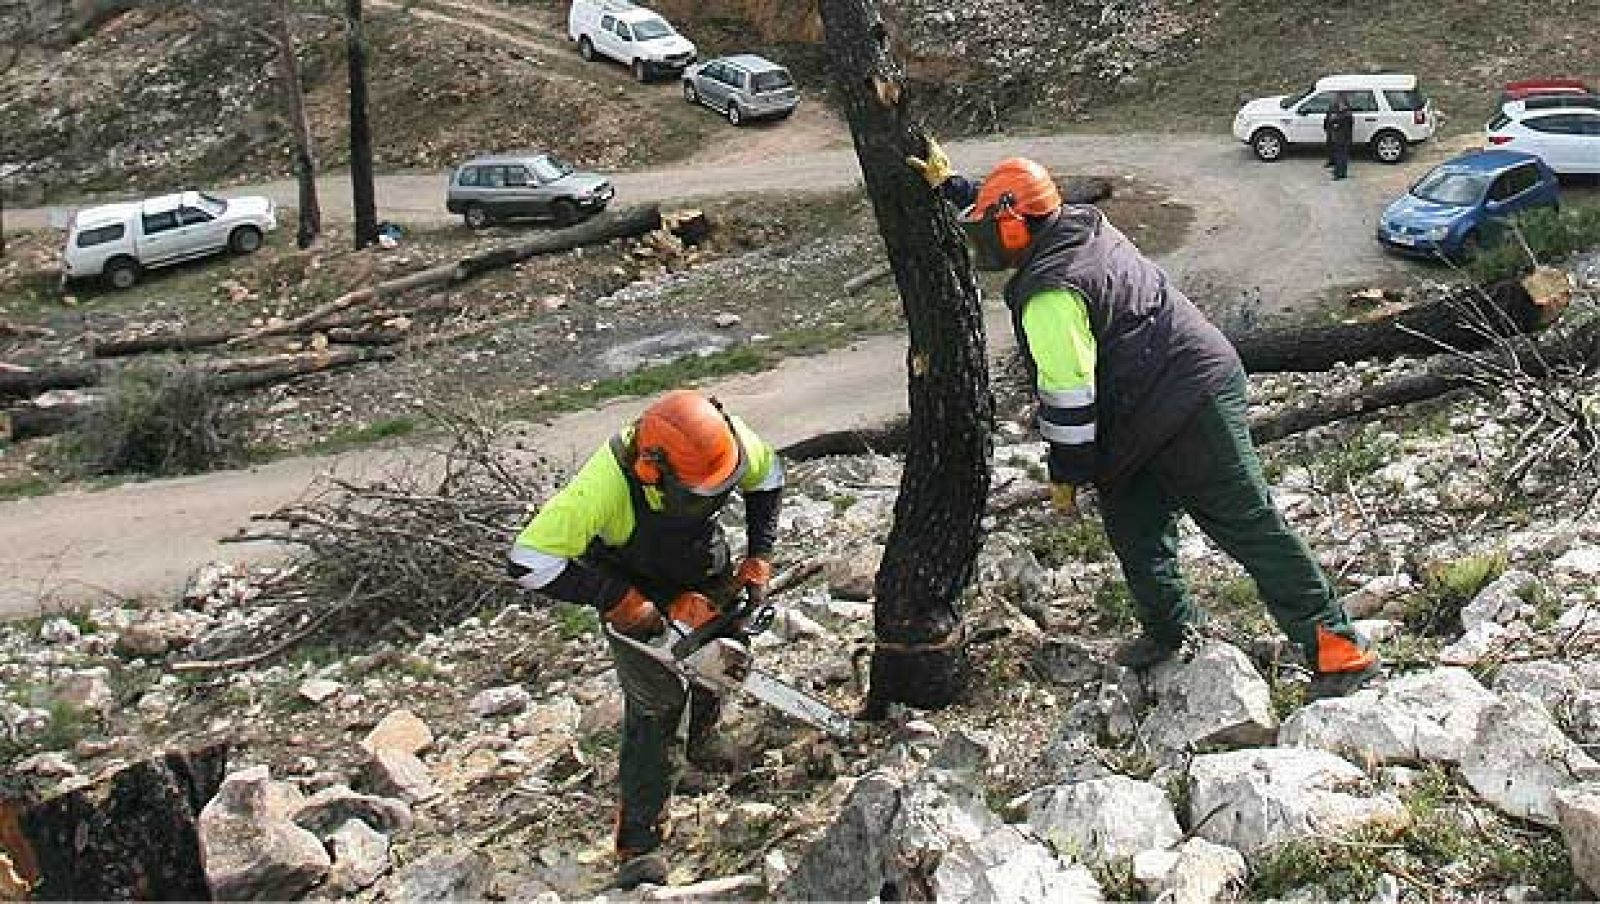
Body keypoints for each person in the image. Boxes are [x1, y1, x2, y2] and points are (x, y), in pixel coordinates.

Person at [905, 140, 1380, 699]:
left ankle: (1338, 648)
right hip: (1139, 413)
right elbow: (1019, 205)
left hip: (1191, 399)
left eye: (992, 224)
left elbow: (1069, 396)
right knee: (1134, 528)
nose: (986, 236)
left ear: (1015, 227)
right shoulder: (1077, 223)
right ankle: (1171, 628)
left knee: (1248, 523)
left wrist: (1067, 471)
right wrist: (955, 185)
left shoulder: (1050, 292)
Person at [506, 389, 784, 890]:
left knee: (720, 661)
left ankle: (700, 742)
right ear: (653, 470)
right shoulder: (604, 486)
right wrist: (613, 596)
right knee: (655, 707)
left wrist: (759, 556)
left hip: (701, 561)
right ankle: (640, 841)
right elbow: (528, 560)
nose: (711, 493)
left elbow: (769, 478)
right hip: (629, 579)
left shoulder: (724, 442)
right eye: (697, 491)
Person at [1325, 92, 1355, 180]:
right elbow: (1329, 120)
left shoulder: (1346, 114)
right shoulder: (1341, 112)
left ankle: (1340, 174)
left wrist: (1335, 120)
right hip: (1338, 136)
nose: (1335, 100)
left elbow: (1345, 123)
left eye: (1338, 100)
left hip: (1342, 137)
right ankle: (1338, 171)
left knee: (1341, 155)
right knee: (1338, 154)